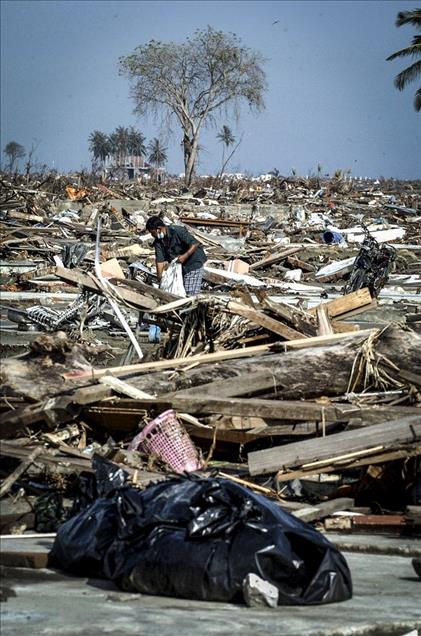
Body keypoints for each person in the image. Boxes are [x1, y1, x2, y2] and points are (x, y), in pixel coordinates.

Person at [145, 216, 207, 296]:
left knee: (190, 293)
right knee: (178, 291)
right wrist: (160, 278)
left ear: (159, 229)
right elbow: (159, 261)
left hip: (193, 262)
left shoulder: (177, 231)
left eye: (153, 233)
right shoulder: (159, 242)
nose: (153, 235)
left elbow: (194, 244)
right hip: (180, 267)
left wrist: (185, 256)